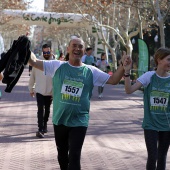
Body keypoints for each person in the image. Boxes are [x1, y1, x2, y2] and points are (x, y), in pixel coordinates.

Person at [28, 38, 128, 170]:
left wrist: (123, 67)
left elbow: (114, 80)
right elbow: (33, 62)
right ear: (68, 49)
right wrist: (24, 46)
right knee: (62, 157)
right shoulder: (57, 66)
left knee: (74, 156)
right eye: (74, 46)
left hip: (80, 121)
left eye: (80, 46)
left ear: (83, 50)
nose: (77, 49)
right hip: (60, 120)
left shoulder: (91, 71)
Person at [123, 47, 170, 170]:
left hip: (167, 125)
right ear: (159, 60)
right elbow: (129, 90)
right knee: (153, 156)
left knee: (162, 157)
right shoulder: (149, 76)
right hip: (150, 125)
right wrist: (126, 72)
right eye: (168, 60)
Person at [28, 44, 53, 138]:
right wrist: (31, 88)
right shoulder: (37, 62)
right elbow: (32, 76)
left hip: (50, 91)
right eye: (45, 52)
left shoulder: (54, 63)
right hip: (39, 90)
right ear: (42, 52)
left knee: (47, 110)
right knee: (40, 109)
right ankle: (40, 129)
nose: (46, 54)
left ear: (50, 51)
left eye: (48, 52)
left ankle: (45, 124)